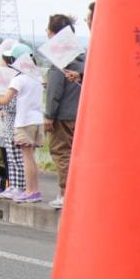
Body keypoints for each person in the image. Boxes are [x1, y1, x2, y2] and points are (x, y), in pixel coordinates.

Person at [0, 43, 42, 202]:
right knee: (27, 158)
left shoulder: (18, 79)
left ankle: (28, 190)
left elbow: (5, 100)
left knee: (23, 159)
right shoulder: (37, 77)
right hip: (36, 120)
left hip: (23, 122)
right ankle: (30, 190)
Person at [44, 14, 85, 210]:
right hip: (81, 113)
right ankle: (80, 193)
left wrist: (49, 115)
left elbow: (55, 90)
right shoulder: (83, 55)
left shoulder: (59, 56)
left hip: (62, 115)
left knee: (62, 154)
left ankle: (66, 193)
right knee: (79, 155)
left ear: (54, 34)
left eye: (48, 30)